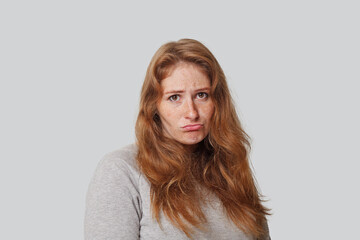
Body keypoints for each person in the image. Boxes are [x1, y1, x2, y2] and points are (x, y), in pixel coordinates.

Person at [84, 39, 271, 240]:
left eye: (201, 95)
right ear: (154, 106)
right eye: (175, 97)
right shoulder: (122, 170)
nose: (191, 112)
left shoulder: (231, 170)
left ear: (218, 101)